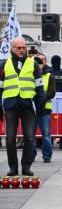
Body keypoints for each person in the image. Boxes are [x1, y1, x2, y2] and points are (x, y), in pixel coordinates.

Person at [0, 38, 45, 176]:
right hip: (11, 104)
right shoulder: (3, 65)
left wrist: (40, 104)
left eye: (23, 47)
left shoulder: (33, 64)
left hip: (27, 104)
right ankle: (13, 167)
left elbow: (39, 85)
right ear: (11, 49)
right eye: (18, 47)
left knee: (30, 137)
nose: (21, 50)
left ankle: (26, 167)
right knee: (10, 137)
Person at [32, 56, 55, 163]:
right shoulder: (28, 77)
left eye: (40, 63)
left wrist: (40, 99)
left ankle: (47, 155)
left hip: (45, 109)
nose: (37, 66)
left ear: (44, 64)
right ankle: (31, 155)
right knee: (30, 134)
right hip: (31, 109)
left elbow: (52, 92)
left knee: (46, 134)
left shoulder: (49, 76)